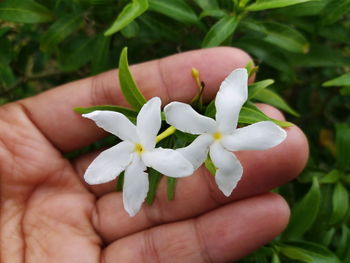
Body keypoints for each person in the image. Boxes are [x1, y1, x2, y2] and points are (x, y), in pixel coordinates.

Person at [0, 47, 308, 262]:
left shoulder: (188, 131)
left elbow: (171, 116)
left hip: (188, 133)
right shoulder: (152, 135)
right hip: (170, 136)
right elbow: (165, 117)